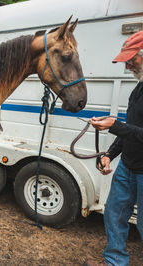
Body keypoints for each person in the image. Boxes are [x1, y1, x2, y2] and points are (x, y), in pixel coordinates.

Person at [84, 31, 143, 266]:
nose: (127, 65)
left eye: (132, 59)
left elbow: (125, 128)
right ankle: (115, 262)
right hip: (127, 168)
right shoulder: (138, 89)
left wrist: (115, 125)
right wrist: (109, 154)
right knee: (113, 215)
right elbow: (131, 128)